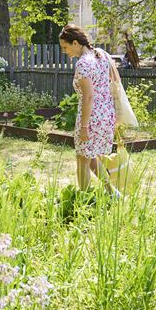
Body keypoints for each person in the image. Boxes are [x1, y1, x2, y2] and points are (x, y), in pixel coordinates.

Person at [58, 24, 119, 195]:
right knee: (90, 156)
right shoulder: (101, 56)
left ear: (75, 43)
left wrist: (84, 126)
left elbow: (88, 97)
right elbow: (114, 83)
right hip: (106, 115)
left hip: (91, 117)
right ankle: (113, 193)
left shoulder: (84, 63)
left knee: (81, 160)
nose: (65, 51)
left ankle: (83, 201)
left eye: (65, 47)